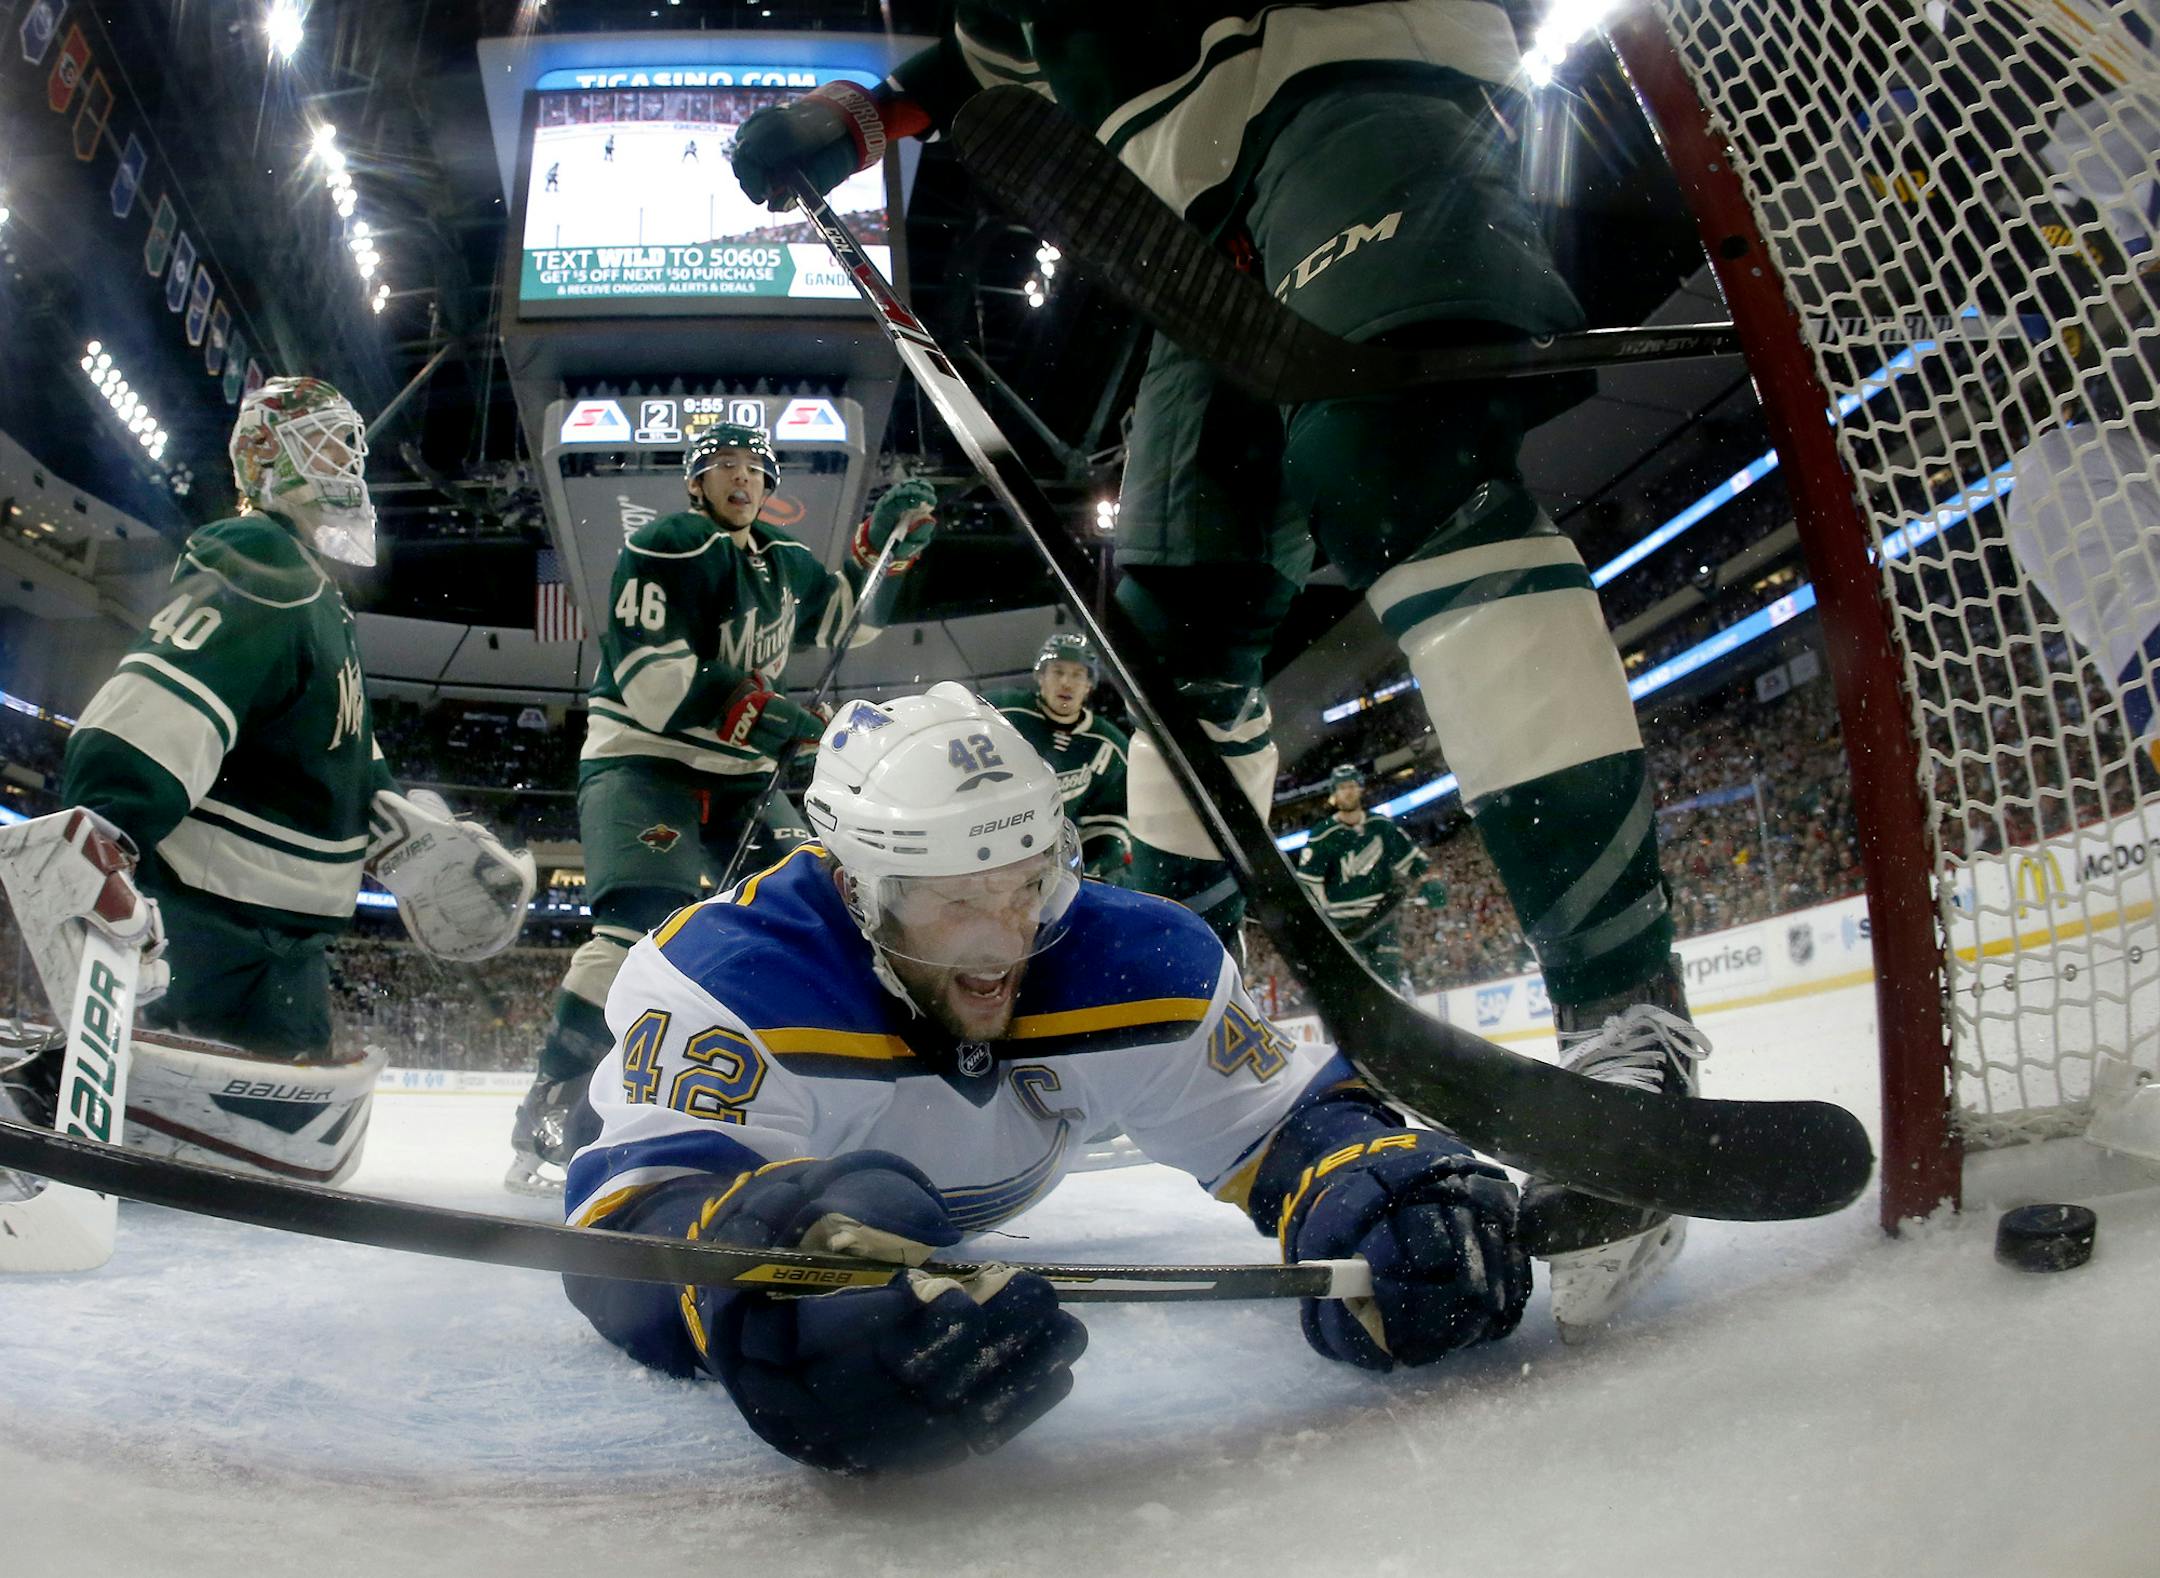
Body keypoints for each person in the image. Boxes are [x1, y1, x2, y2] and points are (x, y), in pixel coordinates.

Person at [729, 2, 1704, 1323]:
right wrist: (862, 117)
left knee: (1396, 456)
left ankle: (1624, 1019)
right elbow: (990, 46)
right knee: (1176, 633)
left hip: (1351, 66)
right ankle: (1185, 1019)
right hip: (1195, 224)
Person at [560, 684, 1530, 1474]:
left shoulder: (1136, 960)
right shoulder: (728, 979)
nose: (1003, 938)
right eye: (954, 901)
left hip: (934, 1204)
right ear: (853, 881)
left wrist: (1365, 1185)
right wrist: (755, 1288)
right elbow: (627, 1228)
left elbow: (1281, 1125)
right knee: (847, 1209)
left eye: (1026, 882)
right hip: (757, 1144)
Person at [51, 376, 533, 1182]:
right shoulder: (262, 565)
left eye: (354, 448)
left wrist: (398, 829)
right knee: (167, 1168)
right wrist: (103, 824)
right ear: (265, 455)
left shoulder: (319, 598)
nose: (350, 466)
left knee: (256, 1180)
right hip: (211, 924)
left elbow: (331, 754)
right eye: (333, 443)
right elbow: (155, 707)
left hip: (291, 942)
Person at [508, 427, 940, 1194]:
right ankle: (553, 1105)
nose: (741, 479)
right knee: (635, 927)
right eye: (723, 468)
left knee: (820, 913)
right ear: (694, 483)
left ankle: (812, 1096)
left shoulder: (781, 560)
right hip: (647, 760)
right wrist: (763, 712)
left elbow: (844, 621)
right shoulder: (672, 544)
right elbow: (652, 680)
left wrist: (884, 552)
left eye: (753, 469)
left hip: (740, 774)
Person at [987, 631, 1130, 883]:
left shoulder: (1109, 745)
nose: (1066, 682)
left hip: (1056, 867)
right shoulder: (1001, 712)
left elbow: (1108, 820)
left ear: (1088, 686)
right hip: (988, 848)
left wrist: (1102, 860)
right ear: (1040, 677)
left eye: (1077, 674)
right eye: (1057, 671)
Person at [1294, 764, 1446, 990]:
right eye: (1342, 787)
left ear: (1361, 789)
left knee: (1389, 985)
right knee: (1354, 990)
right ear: (1334, 794)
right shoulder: (1322, 836)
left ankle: (1393, 1022)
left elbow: (1413, 860)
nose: (1348, 791)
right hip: (1343, 926)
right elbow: (1308, 886)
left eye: (1352, 786)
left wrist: (1429, 880)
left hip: (1382, 917)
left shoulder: (1381, 827)